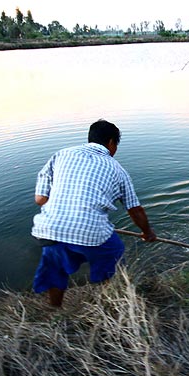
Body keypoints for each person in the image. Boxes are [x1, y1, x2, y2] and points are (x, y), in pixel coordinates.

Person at [31, 119, 156, 307]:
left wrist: (66, 208)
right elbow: (135, 209)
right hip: (91, 231)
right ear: (112, 143)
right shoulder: (117, 170)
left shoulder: (61, 154)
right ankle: (111, 300)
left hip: (49, 229)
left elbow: (40, 199)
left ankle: (55, 311)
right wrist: (147, 232)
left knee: (55, 270)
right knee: (114, 253)